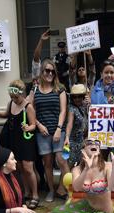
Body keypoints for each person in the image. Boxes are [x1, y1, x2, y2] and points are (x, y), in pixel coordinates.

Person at [51, 139, 114, 213]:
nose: (94, 144)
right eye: (89, 143)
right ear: (83, 150)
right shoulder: (77, 169)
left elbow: (113, 187)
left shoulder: (107, 166)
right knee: (55, 212)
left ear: (99, 149)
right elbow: (76, 187)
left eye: (97, 143)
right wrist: (86, 169)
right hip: (87, 206)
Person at [0, 80, 39, 208]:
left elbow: (34, 125)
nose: (14, 99)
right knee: (19, 168)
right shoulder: (11, 102)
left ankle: (35, 195)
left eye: (16, 97)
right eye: (12, 97)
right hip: (14, 139)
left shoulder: (28, 106)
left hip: (26, 139)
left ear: (22, 94)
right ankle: (26, 192)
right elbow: (7, 114)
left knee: (28, 167)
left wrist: (27, 128)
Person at [31, 59, 69, 202]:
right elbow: (31, 111)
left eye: (52, 71)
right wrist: (39, 125)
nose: (50, 73)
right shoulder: (35, 89)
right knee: (47, 163)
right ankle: (51, 190)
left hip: (59, 130)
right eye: (47, 70)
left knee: (61, 160)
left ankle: (68, 190)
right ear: (42, 72)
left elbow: (63, 111)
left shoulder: (60, 88)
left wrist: (59, 129)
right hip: (42, 133)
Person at [65, 84, 90, 166]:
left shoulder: (86, 106)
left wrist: (89, 104)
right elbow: (69, 123)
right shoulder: (71, 108)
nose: (77, 99)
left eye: (79, 96)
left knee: (82, 166)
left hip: (83, 142)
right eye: (74, 97)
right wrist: (67, 137)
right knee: (69, 166)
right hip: (72, 142)